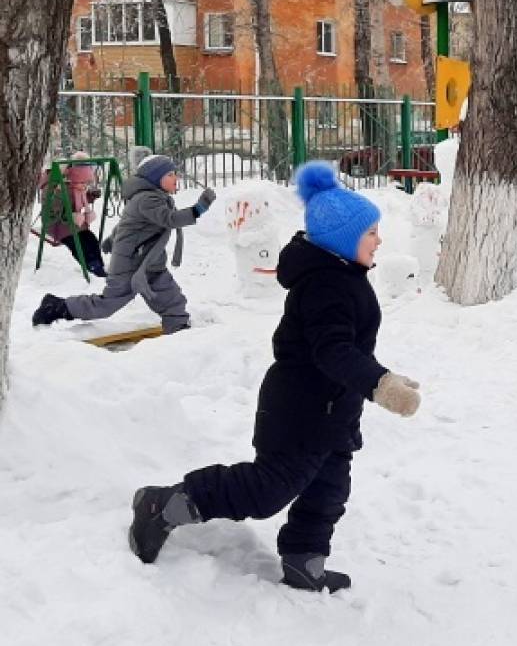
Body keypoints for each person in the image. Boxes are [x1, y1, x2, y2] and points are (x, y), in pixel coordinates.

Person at [127, 161, 422, 593]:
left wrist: (371, 384)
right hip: (299, 409)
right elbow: (333, 350)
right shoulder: (327, 286)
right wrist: (380, 383)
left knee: (328, 490)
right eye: (371, 233)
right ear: (343, 240)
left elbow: (347, 349)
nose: (379, 241)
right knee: (268, 490)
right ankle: (166, 503)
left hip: (333, 410)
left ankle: (305, 559)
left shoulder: (343, 275)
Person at [32, 154, 215, 334]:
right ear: (155, 178)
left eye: (175, 173)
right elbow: (170, 219)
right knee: (108, 303)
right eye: (170, 175)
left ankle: (178, 326)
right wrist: (198, 209)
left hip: (149, 260)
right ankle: (57, 307)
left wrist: (112, 239)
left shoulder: (155, 197)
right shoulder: (147, 199)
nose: (176, 178)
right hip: (129, 262)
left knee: (169, 296)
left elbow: (127, 223)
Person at [39, 151, 107, 277]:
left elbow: (77, 200)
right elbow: (51, 206)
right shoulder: (52, 185)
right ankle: (92, 266)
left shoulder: (74, 184)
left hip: (72, 221)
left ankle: (99, 264)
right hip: (56, 223)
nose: (83, 183)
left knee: (90, 239)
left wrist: (89, 196)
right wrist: (59, 193)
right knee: (78, 244)